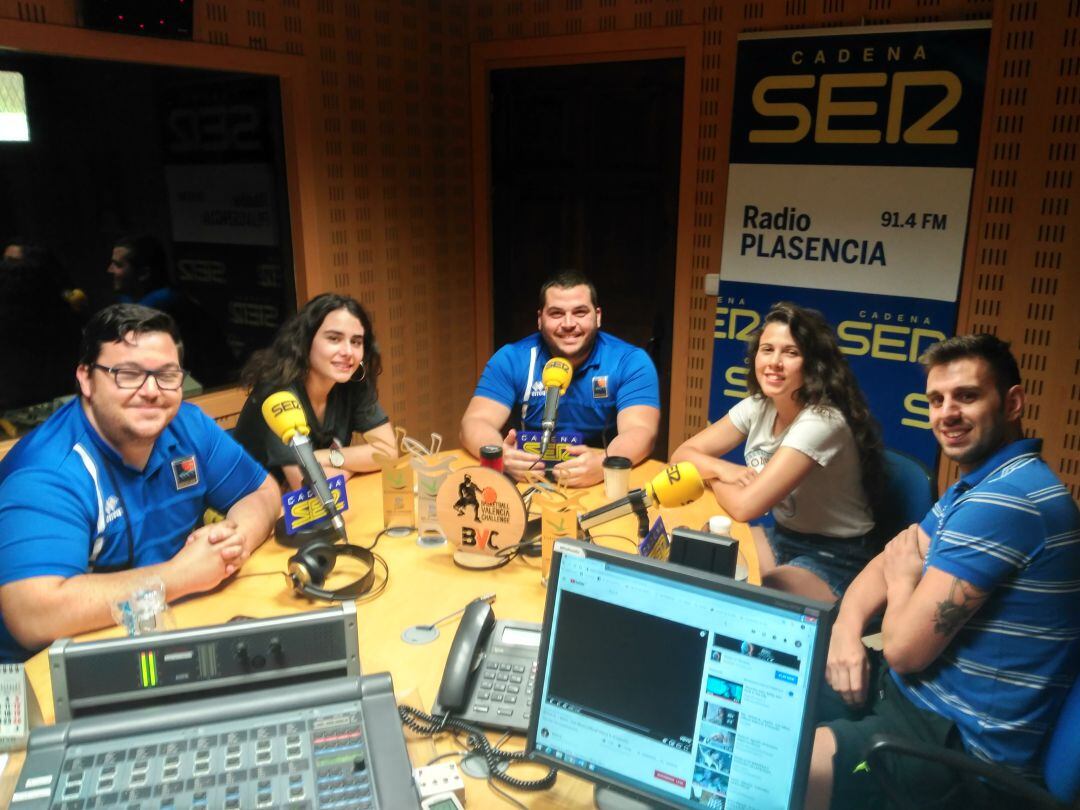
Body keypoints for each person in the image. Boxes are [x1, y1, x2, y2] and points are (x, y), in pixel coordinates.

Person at [806, 333, 1080, 810]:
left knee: (774, 763)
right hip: (912, 703)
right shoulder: (980, 486)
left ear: (1012, 402)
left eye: (967, 396)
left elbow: (903, 649)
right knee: (772, 695)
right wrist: (848, 629)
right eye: (937, 400)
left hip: (964, 754)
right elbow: (880, 565)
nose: (947, 414)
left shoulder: (1009, 502)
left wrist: (902, 578)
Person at [0, 304, 279, 662]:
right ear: (86, 379)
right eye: (128, 374)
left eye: (167, 375)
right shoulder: (49, 473)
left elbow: (262, 492)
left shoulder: (188, 426)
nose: (151, 391)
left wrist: (235, 540)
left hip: (159, 635)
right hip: (48, 674)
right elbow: (34, 614)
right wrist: (179, 576)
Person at [671, 302, 883, 601]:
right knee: (703, 556)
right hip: (783, 537)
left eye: (791, 352)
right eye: (767, 349)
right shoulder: (759, 406)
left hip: (837, 556)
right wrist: (723, 470)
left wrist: (709, 476)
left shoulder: (822, 421)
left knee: (760, 596)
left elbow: (745, 507)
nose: (775, 362)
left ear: (813, 363)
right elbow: (681, 455)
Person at [460, 271, 660, 487]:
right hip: (529, 479)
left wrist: (606, 462)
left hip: (599, 479)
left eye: (580, 312)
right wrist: (500, 456)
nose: (568, 323)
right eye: (556, 313)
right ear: (540, 319)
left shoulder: (630, 361)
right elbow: (475, 422)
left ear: (598, 316)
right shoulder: (512, 358)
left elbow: (641, 431)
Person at [233, 293, 397, 491]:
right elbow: (309, 484)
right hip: (251, 508)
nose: (348, 352)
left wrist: (323, 458)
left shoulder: (351, 382)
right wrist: (354, 465)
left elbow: (387, 452)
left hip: (308, 508)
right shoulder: (277, 392)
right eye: (334, 339)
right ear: (306, 341)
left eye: (356, 342)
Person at [108, 234, 234, 387]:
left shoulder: (168, 310)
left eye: (118, 265)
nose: (110, 270)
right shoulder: (129, 304)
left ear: (144, 274)